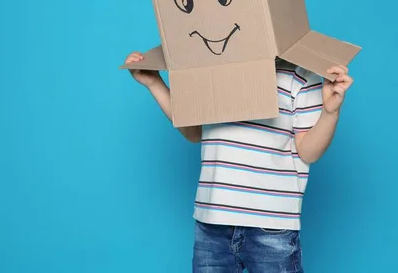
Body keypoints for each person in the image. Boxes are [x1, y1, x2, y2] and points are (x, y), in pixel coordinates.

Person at [124, 51, 354, 273]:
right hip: (212, 222)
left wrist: (330, 112)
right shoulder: (210, 65)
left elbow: (308, 152)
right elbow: (193, 131)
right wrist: (155, 83)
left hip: (271, 223)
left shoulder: (301, 72)